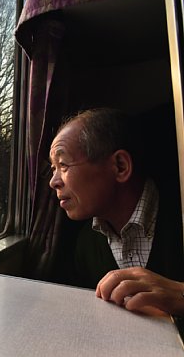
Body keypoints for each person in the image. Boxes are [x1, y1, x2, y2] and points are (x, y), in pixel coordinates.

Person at [48, 107, 184, 315]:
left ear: (120, 166)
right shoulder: (86, 244)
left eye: (63, 165)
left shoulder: (179, 212)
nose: (53, 182)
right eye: (53, 169)